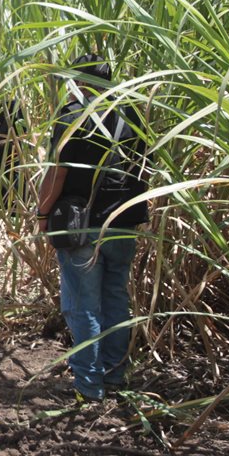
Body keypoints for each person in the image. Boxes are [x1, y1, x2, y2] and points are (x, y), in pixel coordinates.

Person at [35, 54, 149, 403]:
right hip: (124, 223)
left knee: (83, 305)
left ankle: (88, 385)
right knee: (116, 297)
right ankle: (115, 375)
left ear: (78, 82)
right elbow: (143, 167)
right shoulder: (133, 116)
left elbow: (58, 173)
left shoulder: (72, 117)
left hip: (83, 226)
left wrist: (41, 214)